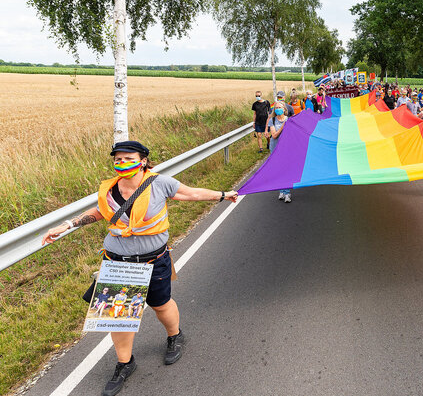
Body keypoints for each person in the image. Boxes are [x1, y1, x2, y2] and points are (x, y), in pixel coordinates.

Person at [41, 141, 239, 396]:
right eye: (117, 159)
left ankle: (175, 335)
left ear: (143, 160)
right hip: (117, 262)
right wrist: (68, 224)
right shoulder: (111, 188)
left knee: (161, 304)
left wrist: (223, 195)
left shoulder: (160, 183)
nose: (121, 163)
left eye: (127, 158)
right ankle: (125, 363)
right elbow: (101, 212)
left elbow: (190, 193)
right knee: (118, 315)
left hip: (153, 260)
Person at [268, 102, 292, 203]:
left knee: (285, 170)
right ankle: (281, 191)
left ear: (284, 109)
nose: (278, 109)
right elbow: (274, 136)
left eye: (280, 107)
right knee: (278, 170)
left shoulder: (289, 120)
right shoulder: (272, 120)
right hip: (275, 147)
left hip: (286, 148)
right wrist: (283, 126)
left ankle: (287, 193)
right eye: (276, 107)